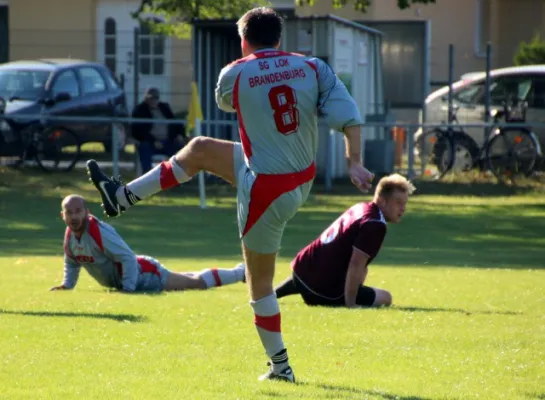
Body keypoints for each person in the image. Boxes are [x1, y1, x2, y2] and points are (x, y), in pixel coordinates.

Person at [86, 7, 373, 382]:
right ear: (280, 39)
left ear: (243, 40)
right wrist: (354, 163)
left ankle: (281, 368)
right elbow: (349, 117)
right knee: (200, 149)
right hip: (297, 176)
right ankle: (121, 196)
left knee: (259, 285)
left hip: (265, 188)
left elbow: (227, 100)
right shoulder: (313, 67)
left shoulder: (234, 72)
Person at [51, 195, 245, 293]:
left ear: (86, 211)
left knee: (195, 283)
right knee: (189, 278)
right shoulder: (71, 236)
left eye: (78, 211)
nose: (74, 216)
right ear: (62, 215)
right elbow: (72, 262)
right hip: (135, 276)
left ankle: (241, 273)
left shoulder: (97, 231)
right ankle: (241, 272)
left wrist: (128, 288)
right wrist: (67, 285)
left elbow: (127, 257)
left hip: (144, 273)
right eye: (69, 212)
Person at [274, 174, 415, 308]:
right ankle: (346, 297)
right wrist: (351, 304)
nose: (403, 208)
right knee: (386, 298)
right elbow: (356, 264)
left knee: (363, 270)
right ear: (383, 200)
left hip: (301, 271)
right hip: (321, 291)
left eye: (405, 203)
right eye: (398, 202)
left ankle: (273, 294)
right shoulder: (374, 223)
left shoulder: (361, 207)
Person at [131, 87, 187, 174]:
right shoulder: (140, 110)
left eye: (155, 98)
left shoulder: (164, 107)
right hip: (149, 143)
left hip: (167, 141)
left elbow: (174, 122)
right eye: (151, 98)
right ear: (146, 98)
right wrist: (153, 141)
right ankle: (147, 177)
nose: (153, 101)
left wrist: (180, 134)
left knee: (182, 149)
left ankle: (179, 176)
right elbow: (139, 131)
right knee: (144, 148)